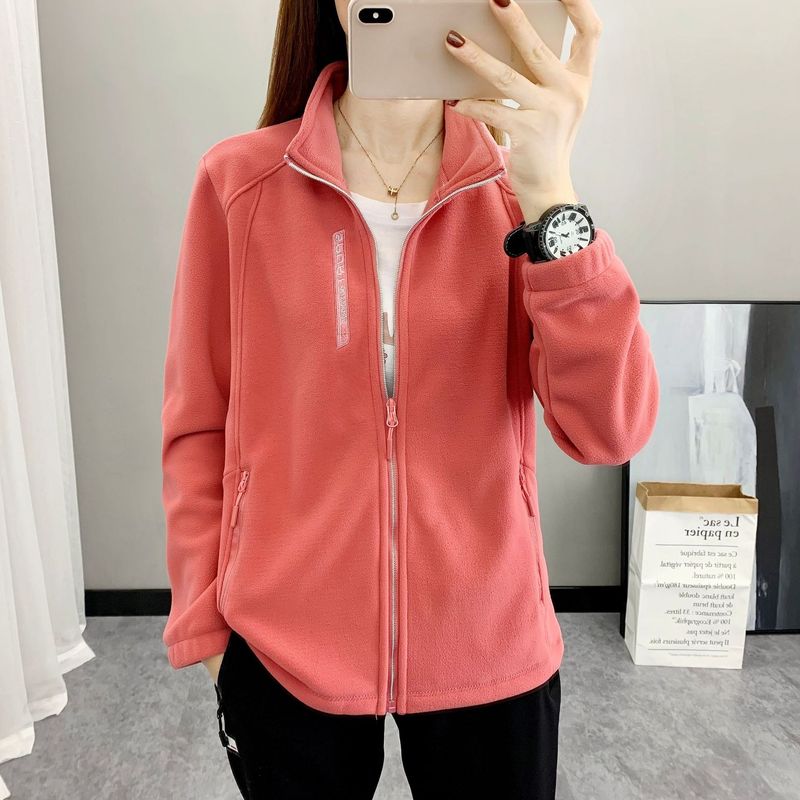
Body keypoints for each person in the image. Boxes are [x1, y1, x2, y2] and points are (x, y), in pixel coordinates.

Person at [160, 0, 659, 797]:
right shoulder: (239, 183)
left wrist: (552, 196)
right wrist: (209, 631)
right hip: (283, 651)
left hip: (491, 644)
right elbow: (198, 424)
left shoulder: (518, 194)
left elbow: (610, 430)